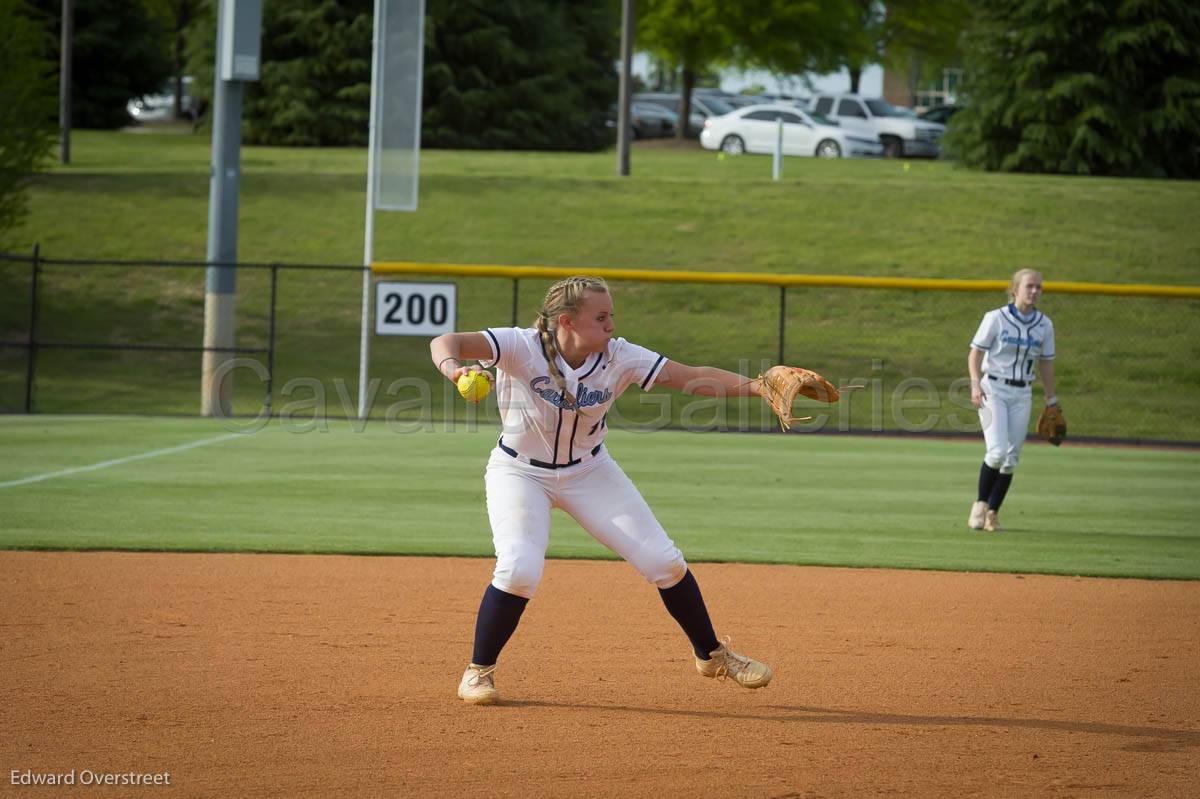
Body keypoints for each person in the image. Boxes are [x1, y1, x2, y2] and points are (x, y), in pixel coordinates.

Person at [430, 275, 774, 704]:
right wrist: (455, 370)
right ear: (567, 321)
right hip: (519, 473)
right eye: (601, 317)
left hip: (590, 473)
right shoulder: (519, 345)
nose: (611, 325)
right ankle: (479, 671)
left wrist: (760, 386)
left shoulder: (621, 356)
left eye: (611, 315)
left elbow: (691, 377)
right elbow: (445, 342)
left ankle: (712, 655)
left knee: (664, 562)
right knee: (519, 570)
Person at [966, 268, 1058, 532]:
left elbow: (1047, 363)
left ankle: (993, 514)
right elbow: (974, 355)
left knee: (1011, 459)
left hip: (1023, 393)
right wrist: (974, 384)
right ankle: (980, 505)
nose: (1035, 291)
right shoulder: (996, 318)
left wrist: (1051, 398)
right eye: (1029, 286)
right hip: (993, 388)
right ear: (1015, 289)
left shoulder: (1045, 325)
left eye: (1039, 287)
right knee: (996, 453)